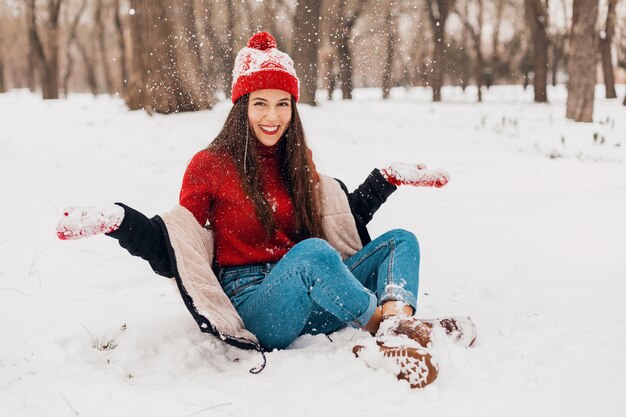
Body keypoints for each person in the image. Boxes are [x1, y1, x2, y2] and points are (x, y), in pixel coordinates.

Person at [57, 32, 466, 389]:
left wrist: (385, 179)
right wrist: (122, 223)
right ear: (242, 107)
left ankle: (396, 323)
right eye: (261, 103)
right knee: (313, 254)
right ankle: (387, 332)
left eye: (283, 104)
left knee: (400, 242)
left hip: (315, 293)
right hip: (258, 306)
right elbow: (181, 250)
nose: (273, 116)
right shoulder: (210, 165)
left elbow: (337, 221)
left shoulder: (296, 159)